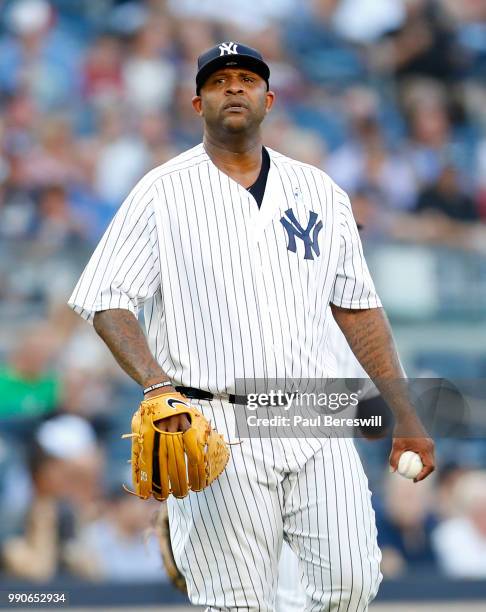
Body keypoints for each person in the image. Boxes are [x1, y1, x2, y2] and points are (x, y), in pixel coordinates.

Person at [68, 42, 435, 611]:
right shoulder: (161, 192)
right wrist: (156, 385)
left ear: (270, 97)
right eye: (218, 82)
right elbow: (107, 300)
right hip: (215, 418)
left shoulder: (320, 192)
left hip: (315, 414)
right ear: (197, 104)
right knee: (235, 602)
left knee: (353, 583)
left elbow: (359, 308)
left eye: (245, 78)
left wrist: (405, 412)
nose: (233, 88)